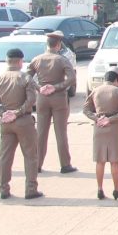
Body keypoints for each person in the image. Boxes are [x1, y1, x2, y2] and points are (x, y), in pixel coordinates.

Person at [0, 48, 41, 200]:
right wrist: (18, 112)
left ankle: (3, 188)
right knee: (30, 155)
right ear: (21, 61)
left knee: (5, 156)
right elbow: (31, 100)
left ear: (7, 61)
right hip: (24, 121)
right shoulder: (25, 78)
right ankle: (30, 189)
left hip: (6, 122)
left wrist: (2, 113)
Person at [28, 31, 77, 174]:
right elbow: (71, 79)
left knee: (41, 132)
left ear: (47, 44)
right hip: (59, 97)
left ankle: (37, 164)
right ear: (59, 45)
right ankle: (65, 164)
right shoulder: (62, 60)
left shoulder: (37, 59)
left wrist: (39, 88)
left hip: (42, 97)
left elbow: (27, 77)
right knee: (61, 132)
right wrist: (56, 87)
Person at [83, 69, 118, 200]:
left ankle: (99, 189)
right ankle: (116, 190)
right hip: (113, 126)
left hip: (99, 126)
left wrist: (96, 118)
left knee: (100, 161)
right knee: (114, 161)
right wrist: (111, 119)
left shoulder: (95, 90)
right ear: (116, 80)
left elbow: (85, 109)